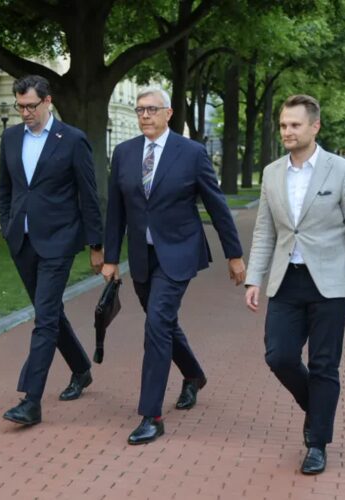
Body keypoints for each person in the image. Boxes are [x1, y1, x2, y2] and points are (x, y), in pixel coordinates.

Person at [244, 94, 345, 474]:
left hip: (331, 285)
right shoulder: (272, 173)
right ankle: (319, 409)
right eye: (283, 125)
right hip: (286, 280)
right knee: (279, 356)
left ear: (314, 127)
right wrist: (254, 277)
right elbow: (265, 231)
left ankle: (316, 443)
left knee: (323, 364)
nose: (287, 131)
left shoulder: (341, 171)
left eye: (295, 125)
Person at [102, 88, 246, 445]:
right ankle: (194, 374)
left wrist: (234, 254)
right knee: (163, 323)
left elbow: (216, 205)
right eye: (140, 110)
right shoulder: (124, 153)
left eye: (152, 109)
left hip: (179, 252)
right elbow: (116, 210)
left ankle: (151, 416)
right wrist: (110, 258)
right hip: (142, 256)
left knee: (156, 325)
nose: (144, 115)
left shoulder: (192, 153)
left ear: (168, 113)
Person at [0, 75, 103, 426]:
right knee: (51, 313)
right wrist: (6, 226)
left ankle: (31, 400)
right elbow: (5, 189)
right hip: (22, 241)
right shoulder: (11, 137)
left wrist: (96, 245)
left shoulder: (71, 139)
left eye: (31, 106)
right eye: (20, 106)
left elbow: (88, 195)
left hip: (59, 242)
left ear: (47, 101)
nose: (25, 113)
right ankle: (81, 368)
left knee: (43, 319)